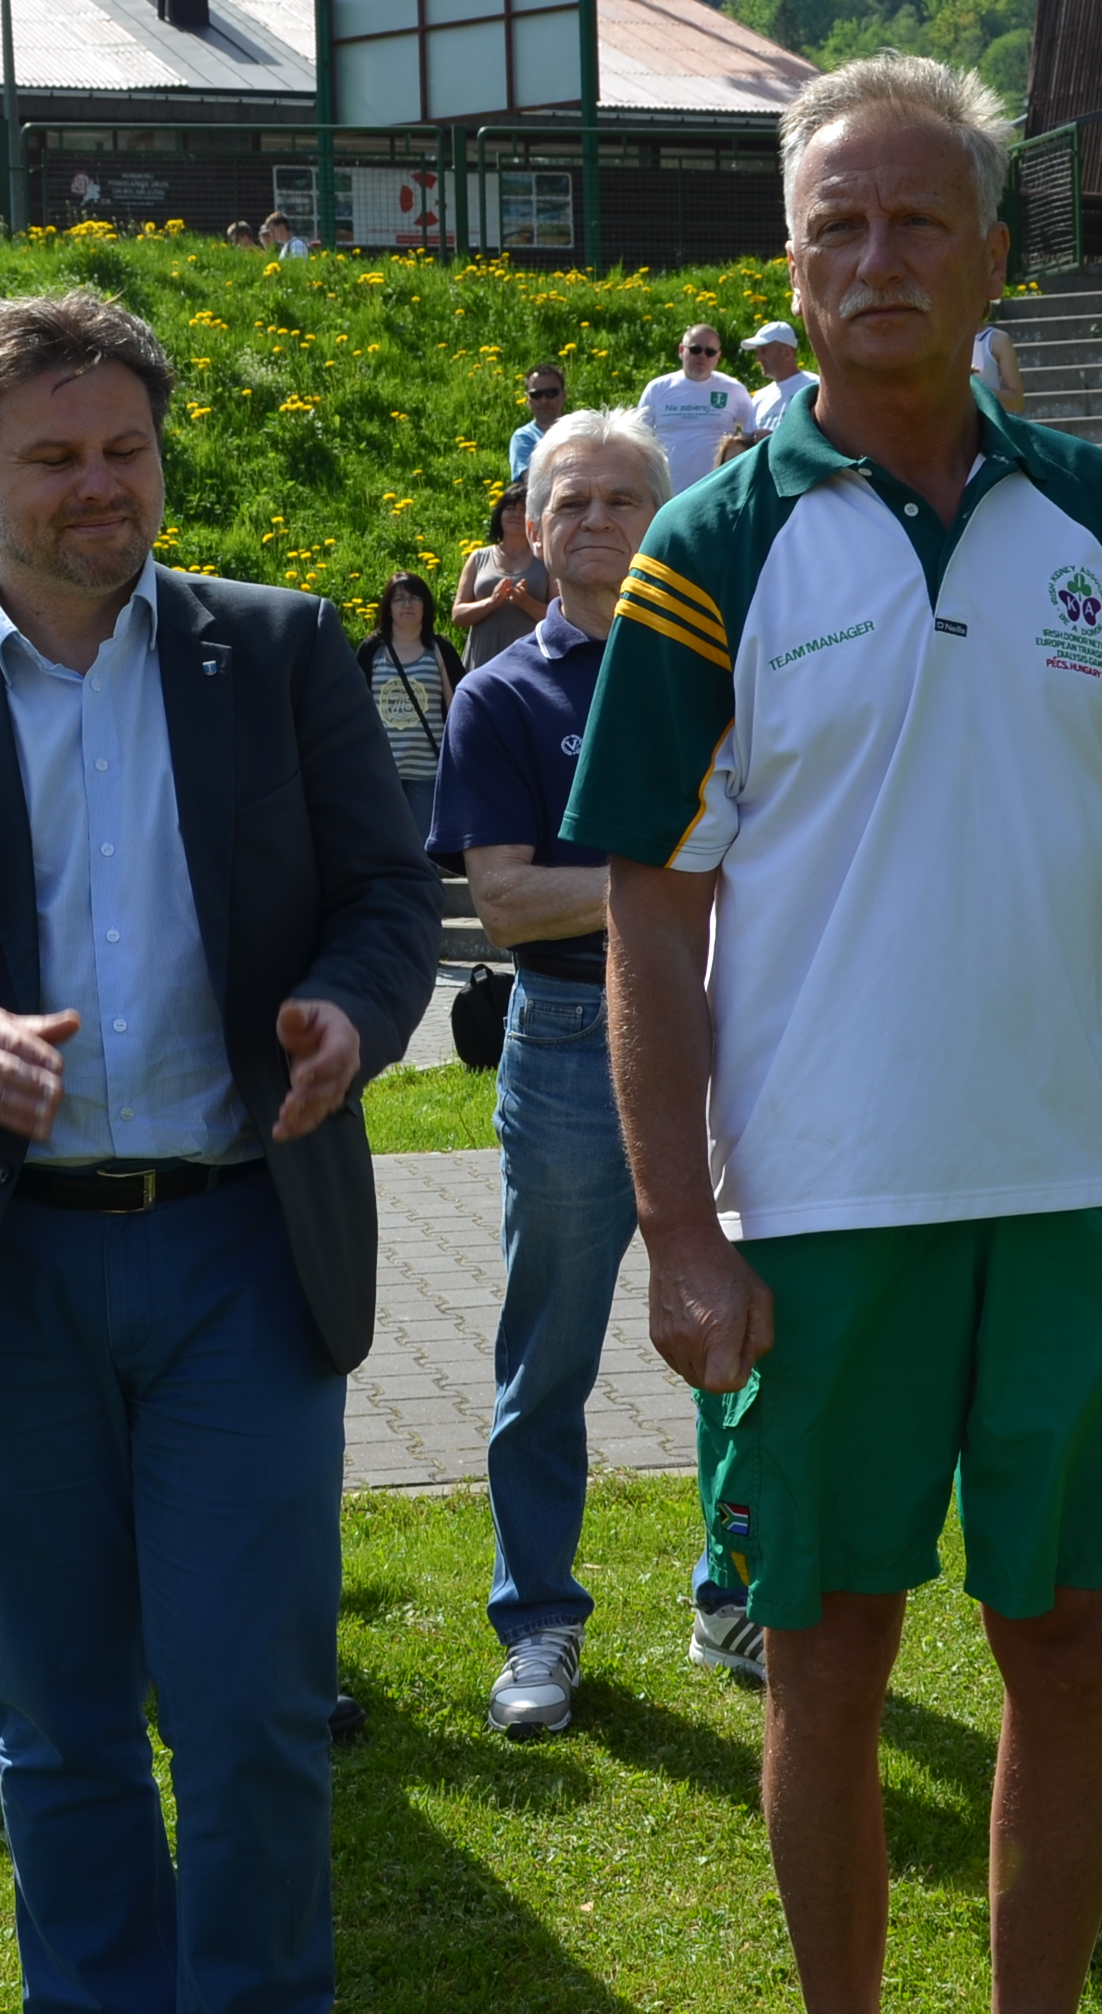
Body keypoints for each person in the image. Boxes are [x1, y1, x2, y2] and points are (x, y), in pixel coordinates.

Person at [565, 53, 1102, 2014]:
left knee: (1067, 1653)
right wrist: (681, 1228)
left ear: (990, 256)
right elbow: (651, 914)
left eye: (916, 222)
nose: (876, 258)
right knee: (827, 1658)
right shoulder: (707, 545)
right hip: (821, 1212)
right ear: (793, 267)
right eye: (838, 227)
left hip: (1081, 1190)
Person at [0, 289, 437, 2011]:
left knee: (251, 1708)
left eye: (125, 448)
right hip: (9, 1265)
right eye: (53, 456)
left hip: (240, 1250)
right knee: (60, 1720)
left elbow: (384, 895)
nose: (99, 486)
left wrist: (352, 1013)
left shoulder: (278, 650)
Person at [425, 408, 671, 1737]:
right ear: (528, 528)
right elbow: (510, 904)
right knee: (550, 1353)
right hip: (574, 1036)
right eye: (567, 501)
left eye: (621, 498)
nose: (593, 521)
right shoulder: (502, 694)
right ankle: (537, 1622)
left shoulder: (727, 674)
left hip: (733, 1031)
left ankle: (736, 1592)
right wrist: (680, 883)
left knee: (754, 1328)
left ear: (663, 519)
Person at [359, 571, 460, 827]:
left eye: (414, 598)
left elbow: (457, 708)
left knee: (422, 844)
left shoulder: (439, 650)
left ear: (425, 605)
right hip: (381, 769)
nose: (407, 605)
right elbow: (354, 707)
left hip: (427, 770)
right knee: (382, 839)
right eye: (399, 599)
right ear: (388, 608)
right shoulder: (371, 650)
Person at [637, 322, 757, 494]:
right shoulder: (658, 389)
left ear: (718, 356)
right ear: (681, 350)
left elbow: (751, 436)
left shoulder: (733, 390)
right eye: (695, 350)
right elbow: (640, 439)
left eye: (710, 352)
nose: (702, 356)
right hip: (668, 490)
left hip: (716, 489)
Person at [453, 489, 552, 671]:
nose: (516, 515)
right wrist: (491, 603)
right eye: (510, 508)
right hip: (483, 657)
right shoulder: (478, 557)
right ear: (499, 514)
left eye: (523, 510)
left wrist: (525, 602)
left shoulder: (545, 561)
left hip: (529, 659)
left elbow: (559, 616)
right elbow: (458, 616)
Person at [506, 361, 570, 482]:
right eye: (536, 394)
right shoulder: (523, 438)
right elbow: (532, 481)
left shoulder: (580, 430)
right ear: (528, 399)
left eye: (551, 393)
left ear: (564, 395)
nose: (544, 401)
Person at [744, 320, 812, 428]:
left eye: (764, 351)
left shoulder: (813, 387)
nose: (758, 359)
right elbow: (749, 435)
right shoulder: (759, 398)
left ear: (786, 352)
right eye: (757, 352)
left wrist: (773, 436)